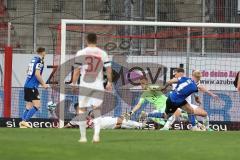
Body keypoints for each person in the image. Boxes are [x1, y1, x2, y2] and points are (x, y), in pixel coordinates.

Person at [72, 33, 112, 143]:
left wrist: (74, 83)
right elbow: (108, 69)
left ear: (86, 40)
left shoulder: (81, 52)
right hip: (98, 84)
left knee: (82, 110)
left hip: (85, 84)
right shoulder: (102, 53)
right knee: (97, 110)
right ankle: (96, 136)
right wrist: (109, 82)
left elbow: (77, 70)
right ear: (96, 40)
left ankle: (83, 137)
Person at [19, 47, 48, 128]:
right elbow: (37, 74)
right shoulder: (40, 61)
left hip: (26, 85)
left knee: (28, 106)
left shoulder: (33, 59)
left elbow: (27, 70)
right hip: (32, 86)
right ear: (42, 52)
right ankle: (25, 121)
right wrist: (43, 84)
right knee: (37, 105)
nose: (45, 54)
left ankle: (22, 123)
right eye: (45, 52)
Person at [65, 110, 144, 129]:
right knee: (120, 121)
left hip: (101, 124)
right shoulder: (75, 120)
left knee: (120, 124)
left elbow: (93, 114)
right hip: (100, 124)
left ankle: (139, 126)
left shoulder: (85, 115)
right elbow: (69, 124)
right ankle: (140, 125)